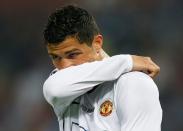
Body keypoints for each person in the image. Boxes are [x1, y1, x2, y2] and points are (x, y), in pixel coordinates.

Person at [43, 5, 162, 131]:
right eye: (55, 57)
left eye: (73, 54)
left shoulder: (133, 83)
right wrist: (127, 60)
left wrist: (126, 62)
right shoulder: (62, 87)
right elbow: (54, 89)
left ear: (97, 43)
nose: (64, 66)